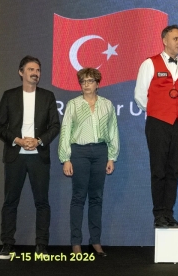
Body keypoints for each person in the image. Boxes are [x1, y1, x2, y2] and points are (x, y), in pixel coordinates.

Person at [0, 55, 60, 259]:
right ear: (21, 72)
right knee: (10, 202)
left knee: (42, 202)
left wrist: (39, 141)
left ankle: (41, 245)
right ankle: (7, 245)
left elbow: (55, 126)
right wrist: (17, 140)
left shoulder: (48, 96)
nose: (35, 73)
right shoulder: (9, 96)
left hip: (39, 157)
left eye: (38, 70)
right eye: (31, 69)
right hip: (15, 156)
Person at [134, 25, 178, 228]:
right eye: (175, 39)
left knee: (174, 170)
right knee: (159, 170)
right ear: (164, 41)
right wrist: (157, 111)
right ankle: (159, 214)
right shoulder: (149, 63)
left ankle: (169, 212)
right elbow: (140, 96)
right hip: (158, 123)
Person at [58, 68, 119, 256]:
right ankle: (76, 243)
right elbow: (65, 131)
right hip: (79, 152)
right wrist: (65, 158)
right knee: (78, 197)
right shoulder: (73, 104)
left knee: (96, 198)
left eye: (90, 81)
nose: (86, 84)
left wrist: (111, 157)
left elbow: (113, 131)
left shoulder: (107, 105)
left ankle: (95, 241)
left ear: (97, 84)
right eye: (83, 81)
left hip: (100, 152)